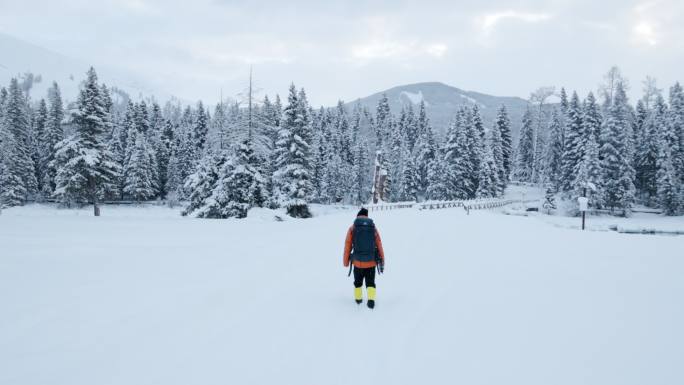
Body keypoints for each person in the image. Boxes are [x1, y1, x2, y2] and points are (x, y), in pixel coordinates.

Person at [343, 208, 385, 309]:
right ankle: (371, 301)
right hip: (371, 262)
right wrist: (382, 260)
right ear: (367, 216)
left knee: (358, 282)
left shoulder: (352, 228)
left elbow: (347, 245)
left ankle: (358, 299)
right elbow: (379, 244)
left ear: (358, 215)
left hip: (357, 262)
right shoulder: (372, 228)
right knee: (370, 282)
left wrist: (345, 262)